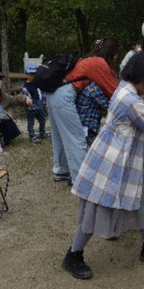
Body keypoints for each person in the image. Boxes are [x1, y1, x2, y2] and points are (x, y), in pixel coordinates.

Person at [63, 51, 144, 279]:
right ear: (143, 78)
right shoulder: (130, 100)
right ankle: (73, 254)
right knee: (96, 206)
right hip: (110, 163)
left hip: (127, 162)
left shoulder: (131, 92)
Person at [46, 38, 120, 184]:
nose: (116, 59)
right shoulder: (99, 62)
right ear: (111, 53)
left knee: (59, 137)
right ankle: (82, 181)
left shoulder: (86, 59)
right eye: (116, 55)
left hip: (53, 93)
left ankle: (61, 170)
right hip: (65, 95)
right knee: (77, 138)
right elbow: (113, 90)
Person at [75, 81, 110, 146]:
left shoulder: (89, 86)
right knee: (97, 150)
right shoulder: (94, 88)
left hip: (83, 124)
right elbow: (108, 106)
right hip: (88, 126)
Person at [21, 62, 47, 144]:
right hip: (31, 107)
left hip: (40, 105)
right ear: (26, 74)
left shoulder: (39, 84)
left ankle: (42, 133)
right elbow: (24, 95)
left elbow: (43, 94)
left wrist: (45, 104)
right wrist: (27, 100)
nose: (33, 76)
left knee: (43, 120)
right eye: (31, 74)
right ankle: (32, 136)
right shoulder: (24, 86)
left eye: (34, 74)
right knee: (31, 122)